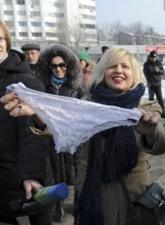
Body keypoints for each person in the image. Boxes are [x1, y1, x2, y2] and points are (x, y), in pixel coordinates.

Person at [1, 48, 165, 225]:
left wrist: (151, 133)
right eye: (112, 66)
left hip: (132, 200)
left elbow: (162, 145)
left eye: (125, 66)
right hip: (90, 194)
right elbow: (62, 124)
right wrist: (39, 114)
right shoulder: (86, 107)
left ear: (134, 74)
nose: (118, 70)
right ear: (103, 72)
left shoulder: (147, 108)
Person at [0, 21, 51, 225]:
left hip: (23, 181)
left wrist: (31, 175)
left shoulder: (25, 82)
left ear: (6, 42)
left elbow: (33, 133)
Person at [39, 43, 84, 222]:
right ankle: (56, 210)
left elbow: (84, 113)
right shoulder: (43, 89)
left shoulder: (77, 89)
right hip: (51, 142)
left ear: (68, 66)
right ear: (49, 68)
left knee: (77, 177)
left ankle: (79, 208)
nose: (58, 69)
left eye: (62, 65)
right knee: (54, 178)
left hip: (73, 141)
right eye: (54, 66)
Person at [143, 50, 165, 118]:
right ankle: (150, 114)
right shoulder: (146, 64)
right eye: (152, 58)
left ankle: (163, 113)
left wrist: (158, 70)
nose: (154, 59)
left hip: (158, 84)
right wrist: (149, 83)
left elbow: (162, 71)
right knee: (151, 99)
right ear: (150, 57)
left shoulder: (158, 62)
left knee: (160, 99)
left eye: (155, 58)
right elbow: (145, 74)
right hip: (151, 84)